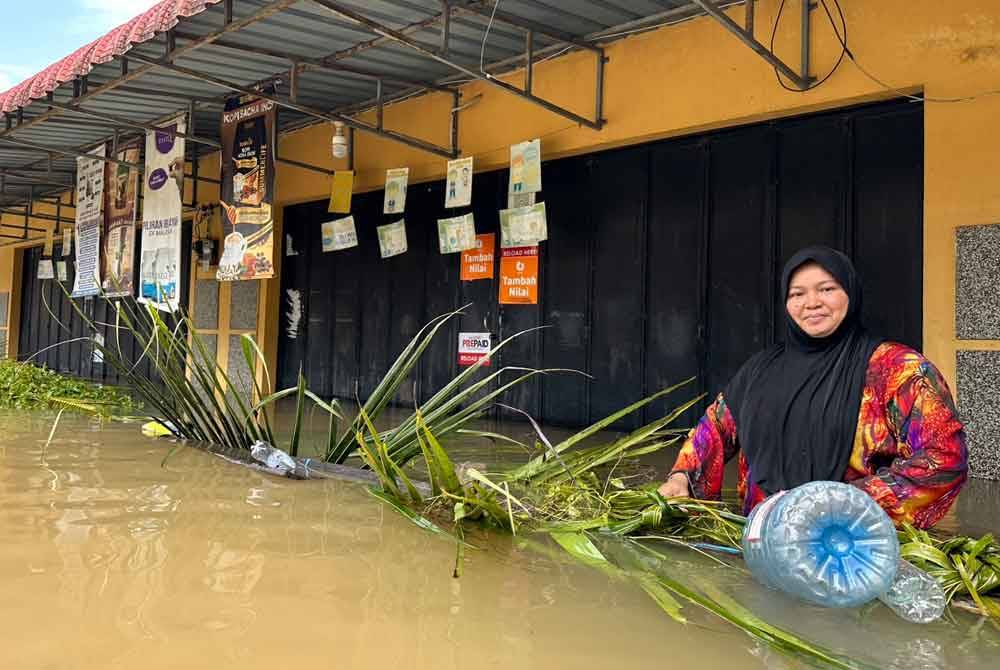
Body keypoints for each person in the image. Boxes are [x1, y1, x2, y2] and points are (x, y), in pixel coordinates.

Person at [658, 246, 967, 529]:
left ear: (850, 293)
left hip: (852, 550)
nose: (812, 303)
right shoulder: (761, 368)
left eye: (827, 289)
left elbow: (944, 458)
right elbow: (715, 430)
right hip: (764, 545)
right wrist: (681, 478)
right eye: (797, 293)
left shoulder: (897, 369)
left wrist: (832, 506)